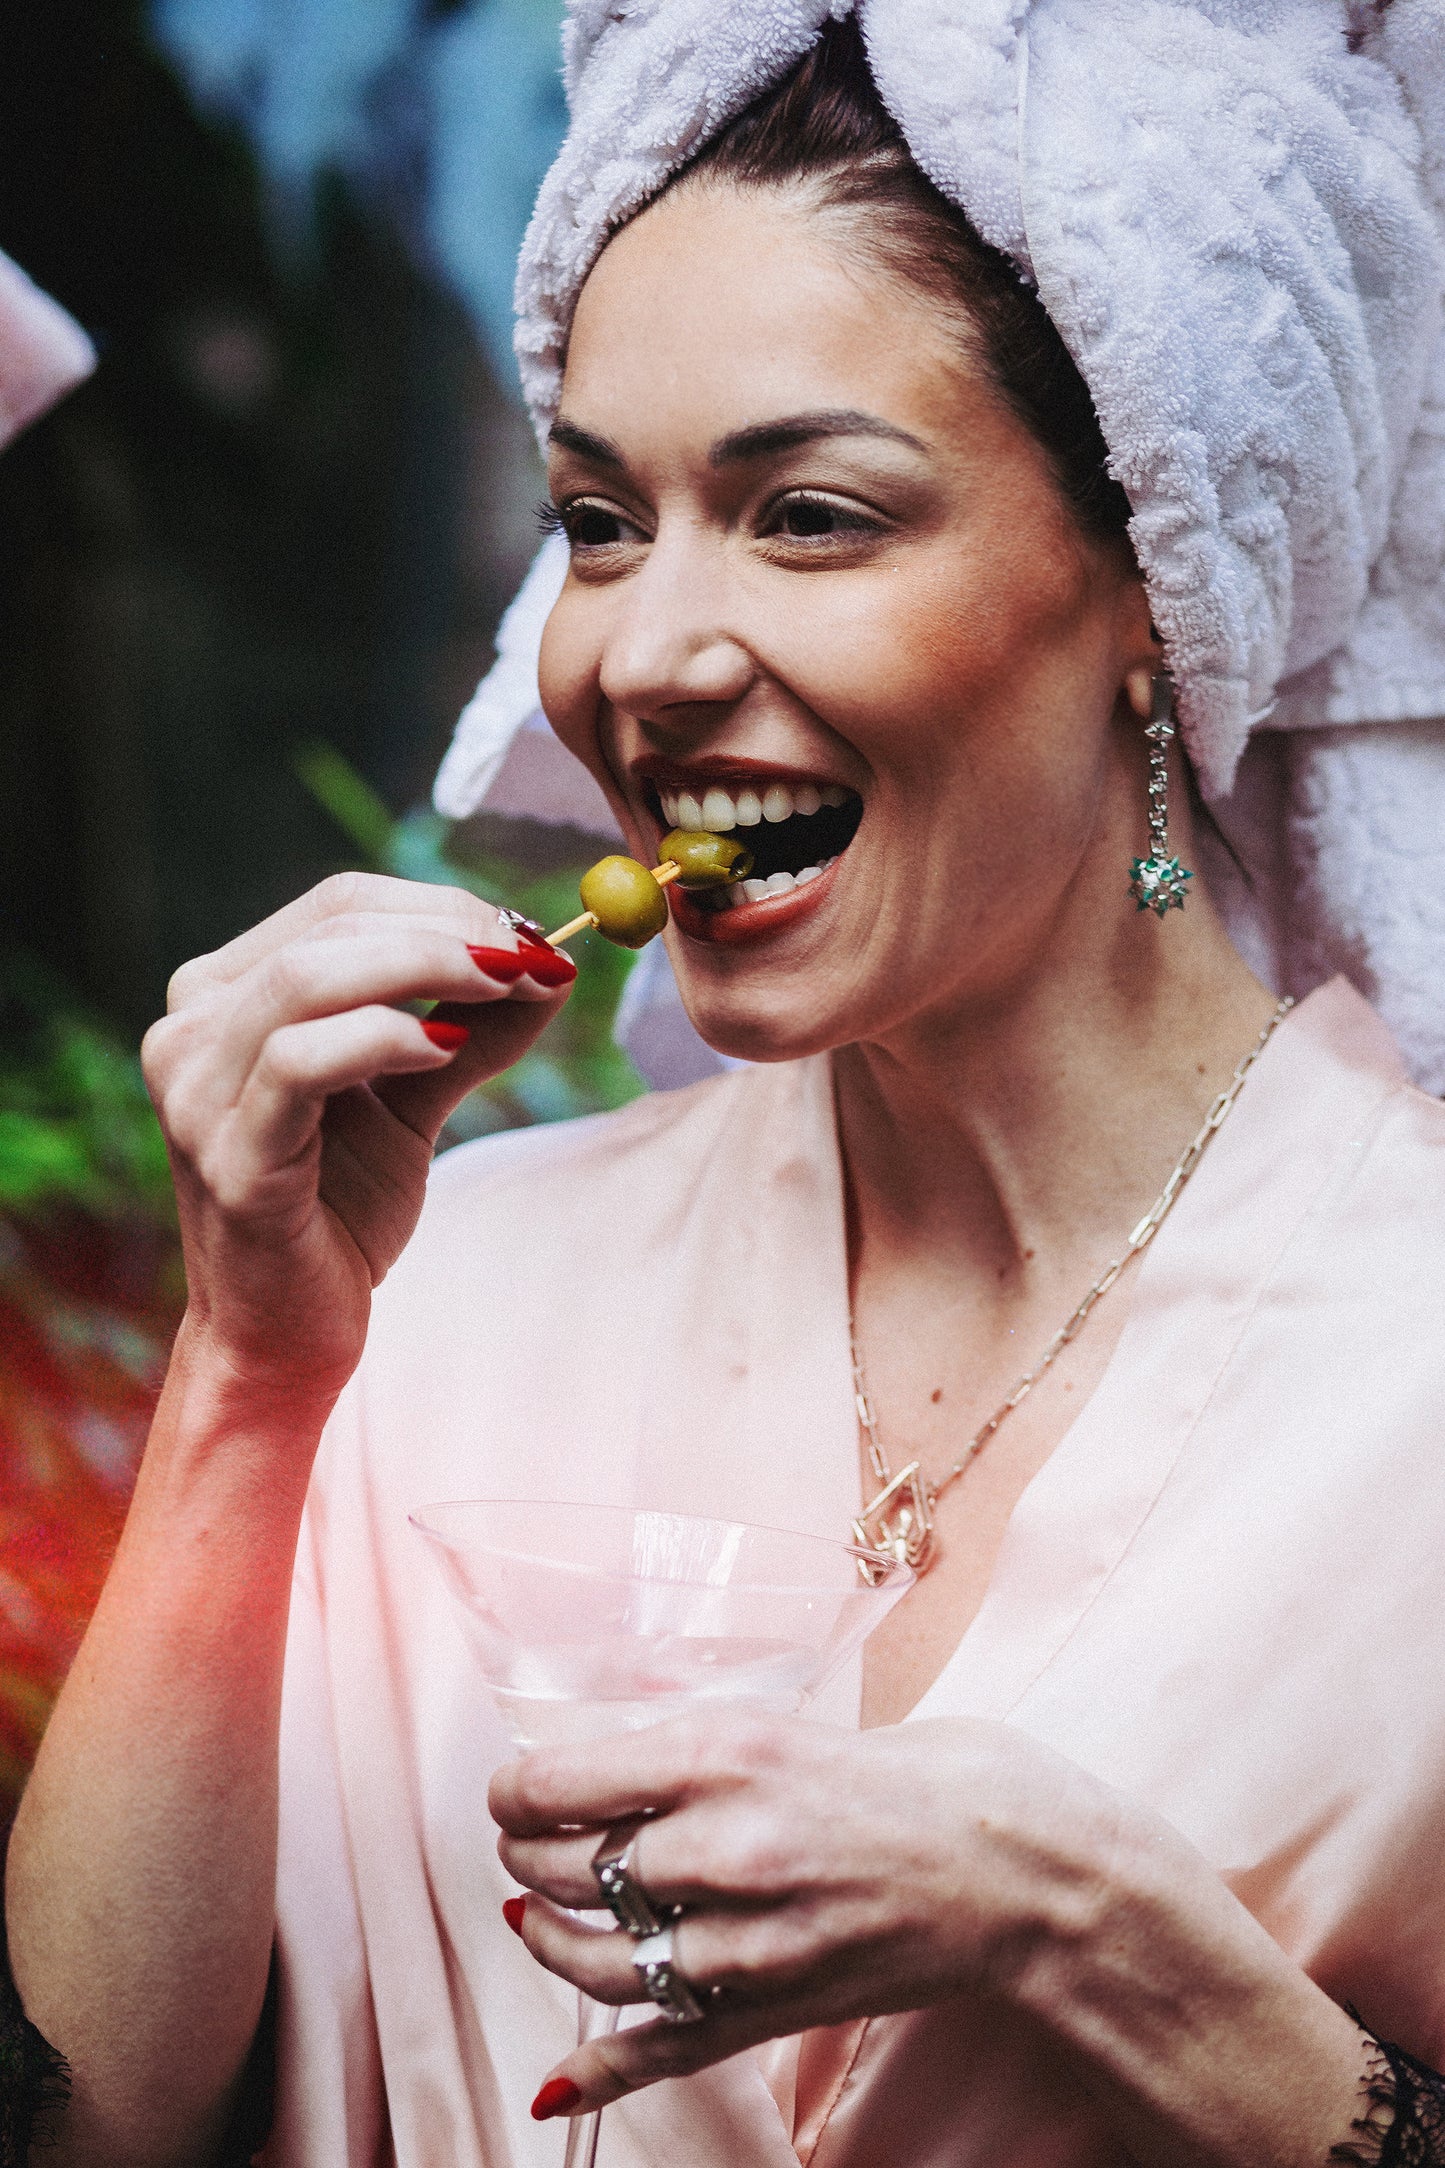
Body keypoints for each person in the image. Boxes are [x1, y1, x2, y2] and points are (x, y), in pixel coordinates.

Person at [9, 7, 1445, 2165]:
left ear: (1159, 574)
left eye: (808, 516)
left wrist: (1090, 1930)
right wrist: (247, 1371)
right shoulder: (447, 1295)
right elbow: (89, 2126)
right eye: (599, 518)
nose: (640, 657)